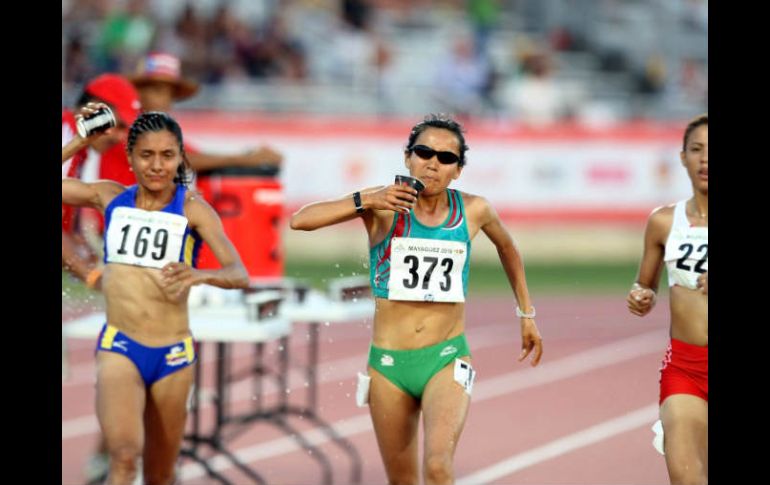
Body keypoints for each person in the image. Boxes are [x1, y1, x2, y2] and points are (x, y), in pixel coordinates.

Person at [290, 113, 543, 484]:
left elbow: (508, 248)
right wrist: (365, 199)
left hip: (446, 357)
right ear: (408, 157)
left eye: (446, 158)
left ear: (458, 170)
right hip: (388, 366)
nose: (433, 163)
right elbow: (301, 220)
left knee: (438, 467)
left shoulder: (474, 210)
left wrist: (526, 312)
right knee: (402, 480)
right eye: (424, 152)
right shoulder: (381, 206)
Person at [62, 107, 249, 485]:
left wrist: (200, 275)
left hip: (173, 353)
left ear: (181, 157)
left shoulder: (194, 210)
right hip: (121, 346)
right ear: (130, 158)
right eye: (146, 155)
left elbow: (238, 273)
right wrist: (80, 144)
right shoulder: (108, 197)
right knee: (125, 458)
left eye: (167, 155)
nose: (157, 166)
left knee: (161, 474)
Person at [627, 114, 708, 484]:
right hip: (686, 368)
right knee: (685, 476)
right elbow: (646, 285)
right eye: (697, 150)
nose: (705, 159)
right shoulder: (663, 222)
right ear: (682, 158)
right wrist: (641, 296)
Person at [129, 51, 283, 170]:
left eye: (171, 94)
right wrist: (246, 159)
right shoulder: (125, 124)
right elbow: (184, 160)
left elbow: (192, 156)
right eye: (158, 90)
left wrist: (248, 156)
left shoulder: (162, 131)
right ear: (138, 91)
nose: (166, 100)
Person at [62, 73, 142, 290]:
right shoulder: (67, 134)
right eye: (118, 125)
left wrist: (84, 253)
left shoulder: (74, 140)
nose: (119, 137)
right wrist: (94, 278)